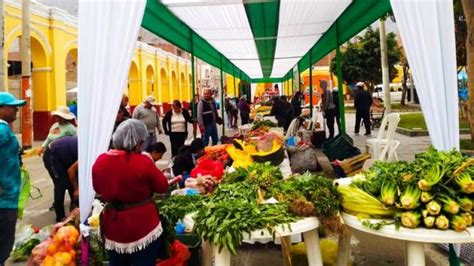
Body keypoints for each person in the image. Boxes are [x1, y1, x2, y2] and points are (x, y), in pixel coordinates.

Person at [92, 119, 168, 265]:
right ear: (136, 142)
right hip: (143, 225)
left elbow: (98, 189)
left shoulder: (100, 161)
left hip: (114, 226)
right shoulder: (142, 162)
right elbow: (162, 186)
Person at [0, 92, 26, 265]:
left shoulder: (4, 129)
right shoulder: (1, 131)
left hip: (8, 197)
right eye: (12, 107)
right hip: (4, 201)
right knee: (3, 244)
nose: (16, 110)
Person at [39, 106, 77, 210]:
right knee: (59, 182)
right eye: (56, 116)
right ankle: (59, 206)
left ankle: (73, 203)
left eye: (60, 117)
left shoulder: (71, 128)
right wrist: (43, 146)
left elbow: (76, 141)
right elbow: (48, 138)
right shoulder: (54, 126)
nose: (58, 119)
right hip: (51, 156)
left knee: (68, 181)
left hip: (66, 157)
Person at [48, 136, 77, 222]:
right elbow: (71, 171)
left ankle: (75, 213)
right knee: (61, 184)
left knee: (72, 183)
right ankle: (60, 217)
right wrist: (76, 189)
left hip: (66, 155)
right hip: (52, 155)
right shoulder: (85, 154)